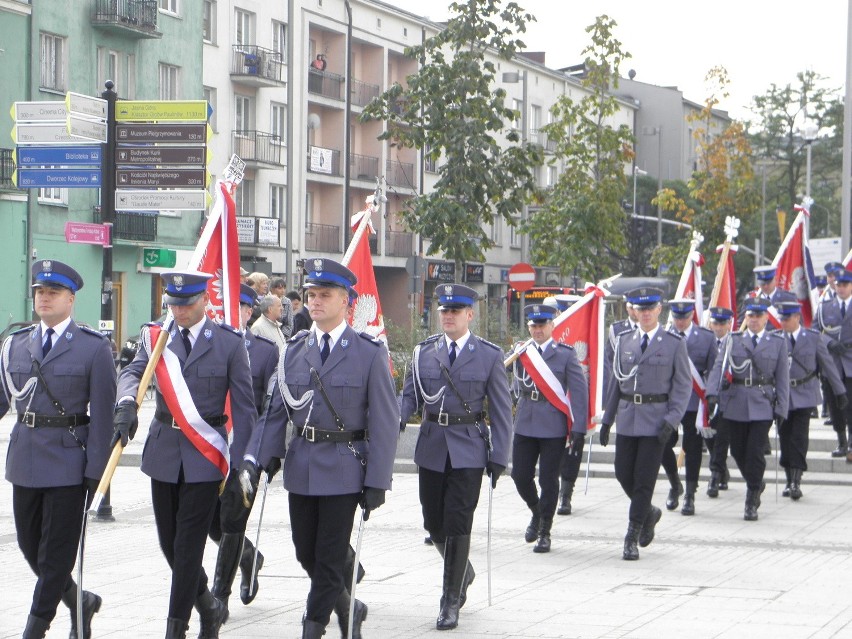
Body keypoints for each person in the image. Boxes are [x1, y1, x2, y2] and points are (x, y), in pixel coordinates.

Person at [244, 257, 399, 639]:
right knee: (305, 553)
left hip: (346, 467)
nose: (315, 301)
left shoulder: (367, 352)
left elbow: (384, 420)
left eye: (324, 295)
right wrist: (257, 460)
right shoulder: (294, 349)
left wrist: (377, 479)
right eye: (311, 294)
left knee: (329, 558)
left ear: (345, 300)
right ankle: (349, 608)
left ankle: (312, 627)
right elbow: (275, 411)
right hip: (303, 465)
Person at [114, 270, 256, 639]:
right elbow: (132, 371)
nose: (179, 311)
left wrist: (242, 463)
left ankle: (176, 628)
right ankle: (208, 605)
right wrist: (127, 402)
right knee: (169, 543)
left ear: (205, 300)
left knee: (188, 545)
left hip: (205, 456)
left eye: (187, 303)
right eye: (173, 303)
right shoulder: (157, 337)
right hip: (163, 450)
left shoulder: (228, 342)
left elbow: (244, 407)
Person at [0, 259, 115, 639]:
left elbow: (101, 414)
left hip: (69, 458)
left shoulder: (93, 348)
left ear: (70, 299)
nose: (44, 297)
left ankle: (35, 627)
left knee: (56, 554)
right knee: (30, 546)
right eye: (39, 291)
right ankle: (79, 600)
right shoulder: (15, 344)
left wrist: (97, 472)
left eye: (52, 292)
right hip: (26, 456)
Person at [400, 283, 512, 630]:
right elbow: (409, 396)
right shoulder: (424, 353)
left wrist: (500, 455)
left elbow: (502, 409)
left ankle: (450, 600)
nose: (447, 316)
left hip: (468, 448)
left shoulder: (488, 355)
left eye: (454, 311)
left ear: (469, 315)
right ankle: (464, 570)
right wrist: (396, 420)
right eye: (443, 311)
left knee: (458, 522)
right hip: (432, 445)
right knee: (434, 525)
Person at [599, 287, 691, 561]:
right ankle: (649, 512)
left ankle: (632, 534)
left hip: (655, 421)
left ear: (659, 309)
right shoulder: (624, 340)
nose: (646, 313)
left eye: (651, 308)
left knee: (644, 480)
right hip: (628, 417)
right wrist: (607, 419)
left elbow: (682, 386)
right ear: (635, 311)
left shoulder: (674, 342)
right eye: (641, 309)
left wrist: (672, 420)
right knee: (622, 472)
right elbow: (617, 382)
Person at [207, 284, 280, 617]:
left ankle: (219, 595)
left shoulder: (265, 352)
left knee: (233, 519)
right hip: (206, 448)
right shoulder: (204, 345)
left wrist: (265, 453)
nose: (228, 311)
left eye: (237, 306)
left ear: (249, 311)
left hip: (243, 452)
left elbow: (271, 408)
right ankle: (249, 557)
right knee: (212, 523)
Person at [510, 303, 588, 552]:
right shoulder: (521, 352)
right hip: (525, 420)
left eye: (542, 325)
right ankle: (537, 512)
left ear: (552, 326)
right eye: (533, 325)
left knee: (548, 480)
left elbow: (579, 391)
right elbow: (514, 387)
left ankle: (545, 531)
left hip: (553, 424)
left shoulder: (565, 354)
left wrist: (578, 428)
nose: (537, 330)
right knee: (520, 476)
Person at [706, 296, 789, 521]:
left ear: (765, 318)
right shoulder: (733, 340)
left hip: (762, 403)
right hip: (735, 402)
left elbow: (782, 378)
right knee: (737, 451)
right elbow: (718, 367)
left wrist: (782, 408)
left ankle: (752, 496)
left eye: (758, 316)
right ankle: (756, 481)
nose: (753, 320)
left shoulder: (778, 342)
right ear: (745, 318)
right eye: (750, 316)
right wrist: (711, 393)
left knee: (754, 452)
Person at [776, 301, 846, 499]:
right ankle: (789, 478)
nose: (783, 322)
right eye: (781, 318)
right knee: (785, 436)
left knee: (799, 437)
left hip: (805, 393)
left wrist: (840, 392)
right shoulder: (776, 338)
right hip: (783, 395)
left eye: (787, 318)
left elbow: (829, 366)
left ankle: (796, 481)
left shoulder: (814, 338)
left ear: (797, 318)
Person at [658, 299, 717, 516]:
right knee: (663, 442)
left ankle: (690, 493)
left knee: (692, 447)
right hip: (668, 401)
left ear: (692, 314)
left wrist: (711, 396)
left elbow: (714, 369)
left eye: (684, 317)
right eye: (677, 317)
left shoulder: (706, 337)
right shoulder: (663, 336)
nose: (680, 322)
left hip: (694, 401)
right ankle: (675, 483)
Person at [815, 267, 852, 462]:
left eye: (845, 285)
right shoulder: (825, 307)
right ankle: (841, 441)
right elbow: (815, 329)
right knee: (835, 404)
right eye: (839, 285)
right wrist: (829, 343)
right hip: (832, 363)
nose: (842, 289)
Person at [705, 306, 734, 497]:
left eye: (722, 323)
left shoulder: (736, 341)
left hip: (728, 397)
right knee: (709, 436)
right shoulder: (705, 341)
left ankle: (715, 475)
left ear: (729, 323)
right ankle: (722, 469)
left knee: (722, 437)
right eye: (715, 323)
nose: (718, 327)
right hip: (705, 396)